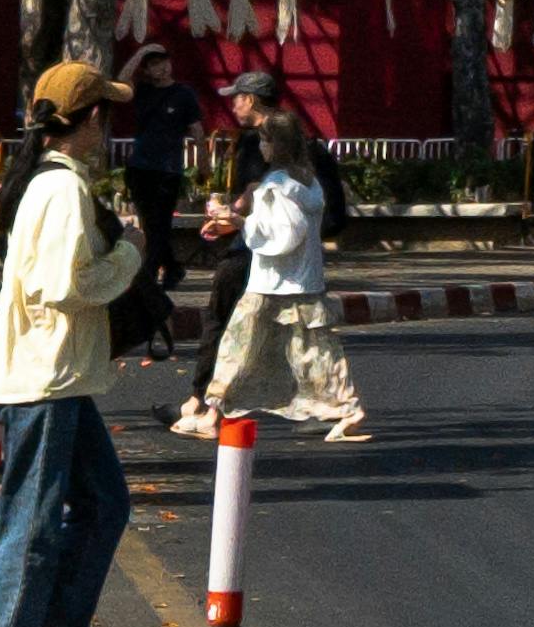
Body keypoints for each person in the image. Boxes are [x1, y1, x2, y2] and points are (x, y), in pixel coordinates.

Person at [0, 61, 143, 627]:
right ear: (92, 118)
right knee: (32, 525)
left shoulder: (45, 180)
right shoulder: (61, 189)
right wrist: (130, 253)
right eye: (107, 114)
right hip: (44, 379)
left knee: (104, 504)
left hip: (59, 378)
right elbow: (66, 285)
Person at [174, 72, 347, 438]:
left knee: (230, 331)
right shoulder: (304, 149)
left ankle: (205, 406)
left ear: (251, 100)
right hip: (295, 269)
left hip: (264, 263)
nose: (233, 105)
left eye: (236, 98)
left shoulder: (264, 150)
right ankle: (342, 406)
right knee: (304, 344)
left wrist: (233, 218)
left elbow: (265, 207)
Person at [198, 116, 367, 442]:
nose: (260, 146)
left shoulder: (275, 185)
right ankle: (348, 407)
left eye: (264, 140)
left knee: (238, 349)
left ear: (276, 144)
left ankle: (212, 414)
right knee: (318, 352)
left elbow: (282, 236)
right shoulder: (309, 182)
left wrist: (238, 220)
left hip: (271, 284)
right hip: (306, 281)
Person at [119, 46, 199, 288]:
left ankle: (150, 274)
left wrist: (203, 161)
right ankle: (172, 267)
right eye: (154, 64)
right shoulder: (142, 90)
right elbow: (121, 82)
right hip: (140, 166)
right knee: (149, 222)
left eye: (163, 62)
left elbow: (197, 128)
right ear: (146, 69)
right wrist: (140, 52)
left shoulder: (184, 93)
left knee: (160, 222)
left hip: (168, 169)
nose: (161, 68)